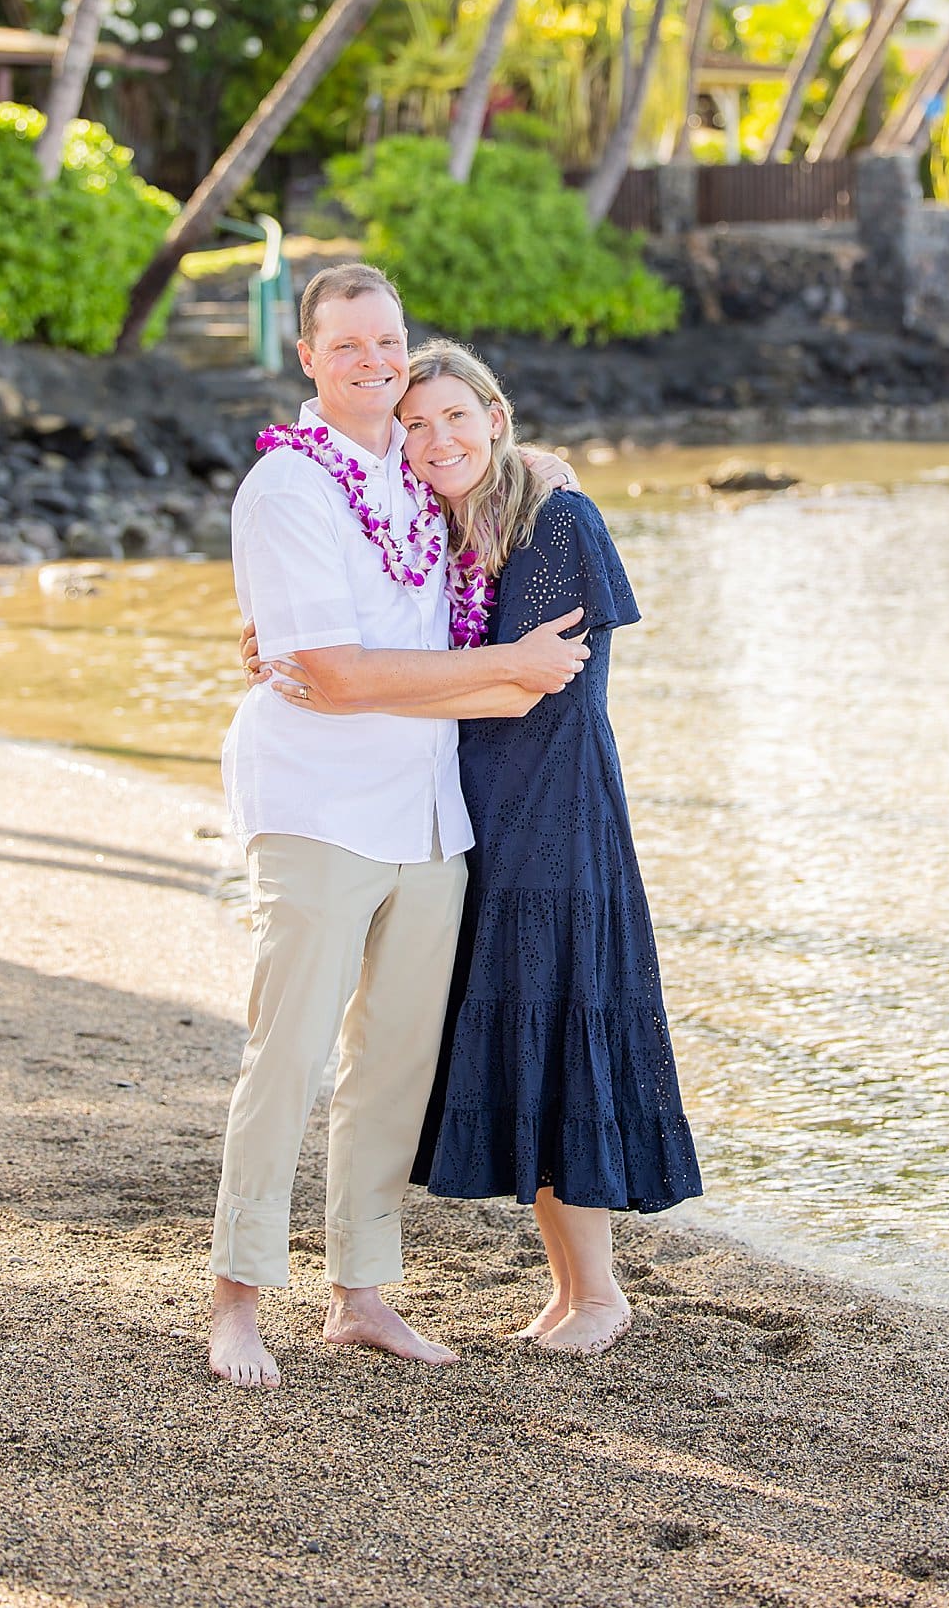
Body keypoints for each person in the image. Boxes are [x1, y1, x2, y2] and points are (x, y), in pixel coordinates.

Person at [266, 339, 702, 1357]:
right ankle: (567, 1287)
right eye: (415, 424)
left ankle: (600, 1294)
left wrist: (350, 680)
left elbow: (531, 684)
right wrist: (303, 655)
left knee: (563, 1037)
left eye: (456, 416)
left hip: (555, 816)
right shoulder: (443, 529)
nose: (435, 438)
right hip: (477, 815)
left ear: (496, 418)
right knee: (528, 1045)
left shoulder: (559, 520)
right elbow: (390, 628)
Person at [210, 264, 587, 1390]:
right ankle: (235, 1298)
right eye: (350, 346)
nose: (375, 362)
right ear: (309, 359)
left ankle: (359, 1293)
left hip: (429, 813)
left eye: (390, 342)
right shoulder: (288, 488)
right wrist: (507, 670)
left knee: (392, 1068)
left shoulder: (418, 474)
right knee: (285, 1054)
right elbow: (326, 671)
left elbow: (494, 465)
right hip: (319, 805)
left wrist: (548, 467)